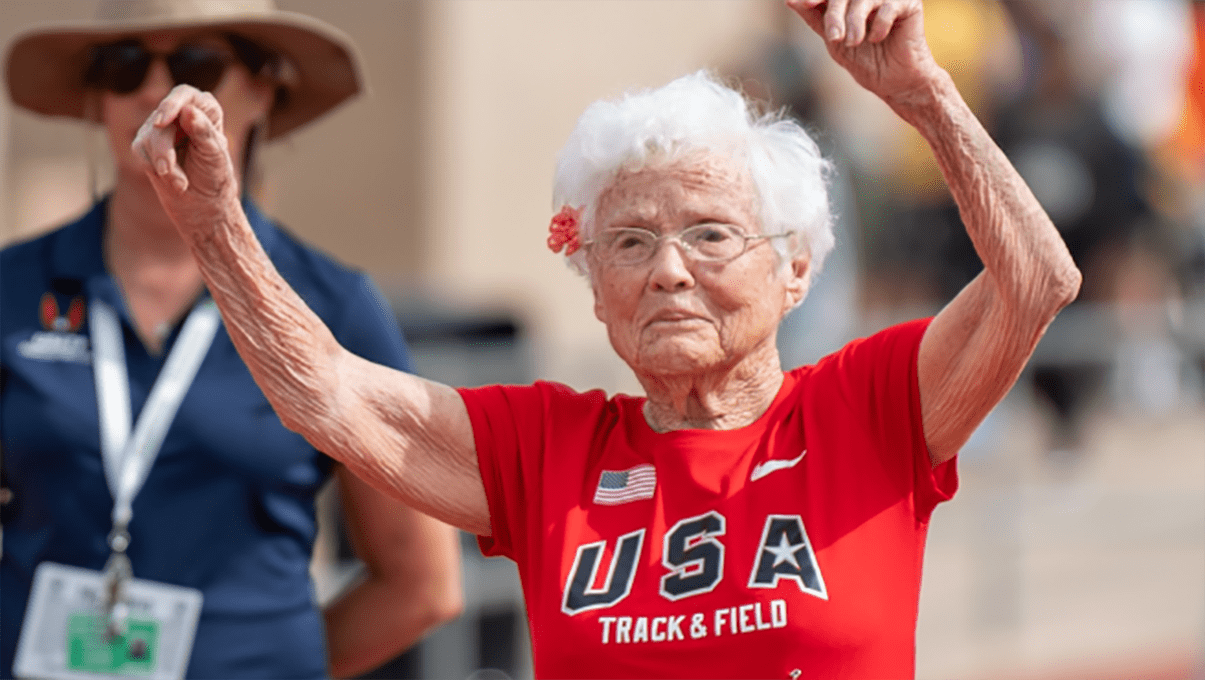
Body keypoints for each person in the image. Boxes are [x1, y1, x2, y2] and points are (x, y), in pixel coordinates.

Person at [129, 0, 1082, 677]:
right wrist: (214, 224)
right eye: (629, 241)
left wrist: (921, 96)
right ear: (595, 290)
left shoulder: (864, 410)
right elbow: (326, 393)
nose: (668, 269)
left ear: (795, 268)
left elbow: (1036, 280)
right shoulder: (547, 452)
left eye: (710, 234)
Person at [0, 1, 461, 678]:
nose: (156, 89)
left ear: (262, 87)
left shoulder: (333, 305)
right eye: (124, 66)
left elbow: (421, 585)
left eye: (195, 64)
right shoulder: (12, 286)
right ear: (97, 99)